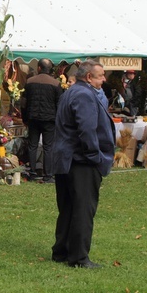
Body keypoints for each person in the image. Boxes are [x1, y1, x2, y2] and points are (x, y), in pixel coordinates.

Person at [51, 59, 115, 269]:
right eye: (101, 75)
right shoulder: (85, 95)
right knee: (83, 208)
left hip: (67, 158)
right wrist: (95, 156)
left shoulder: (71, 91)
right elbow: (87, 130)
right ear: (89, 77)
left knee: (68, 207)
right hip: (80, 160)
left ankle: (62, 250)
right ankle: (79, 257)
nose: (104, 79)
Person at [20, 58, 62, 182]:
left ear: (39, 68)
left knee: (32, 145)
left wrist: (24, 118)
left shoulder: (29, 82)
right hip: (49, 119)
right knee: (48, 147)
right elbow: (59, 104)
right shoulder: (55, 84)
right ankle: (48, 175)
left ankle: (32, 173)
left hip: (33, 118)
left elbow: (23, 102)